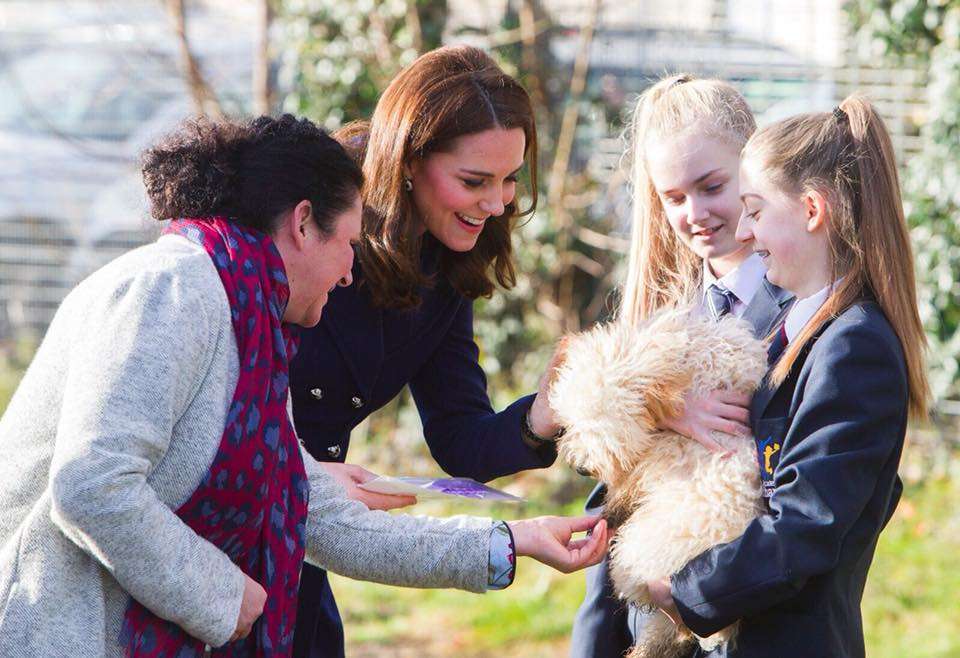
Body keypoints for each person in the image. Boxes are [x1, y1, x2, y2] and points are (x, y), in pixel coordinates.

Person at [0, 114, 609, 658]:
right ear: (300, 225)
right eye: (347, 245)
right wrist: (219, 593)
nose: (350, 272)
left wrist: (513, 541)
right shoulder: (171, 289)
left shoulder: (255, 328)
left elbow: (315, 510)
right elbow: (91, 485)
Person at [287, 45, 572, 657]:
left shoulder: (444, 265)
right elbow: (220, 394)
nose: (496, 204)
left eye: (509, 181)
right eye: (474, 181)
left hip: (309, 541)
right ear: (409, 160)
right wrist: (296, 473)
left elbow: (461, 440)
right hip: (227, 522)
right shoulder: (309, 225)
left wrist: (542, 417)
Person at [646, 96, 929, 658]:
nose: (745, 234)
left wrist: (685, 592)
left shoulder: (854, 345)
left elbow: (807, 523)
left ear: (811, 209)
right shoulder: (798, 326)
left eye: (756, 210)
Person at [569, 75, 793, 658]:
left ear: (753, 164)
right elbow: (611, 490)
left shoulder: (805, 307)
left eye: (712, 185)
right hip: (649, 616)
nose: (695, 213)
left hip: (760, 618)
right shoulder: (662, 310)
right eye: (673, 198)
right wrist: (658, 406)